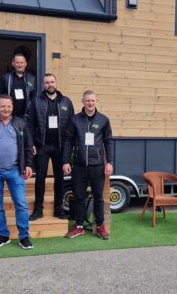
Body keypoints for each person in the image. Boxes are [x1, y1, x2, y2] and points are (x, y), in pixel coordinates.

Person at [0, 95, 34, 250]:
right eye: (3, 106)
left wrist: (29, 165)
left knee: (21, 204)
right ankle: (3, 235)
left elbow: (28, 146)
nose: (6, 109)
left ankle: (24, 236)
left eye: (9, 106)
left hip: (16, 170)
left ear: (12, 107)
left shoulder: (20, 123)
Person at [62, 90, 114, 240]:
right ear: (83, 102)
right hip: (79, 165)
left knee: (98, 197)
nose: (90, 103)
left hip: (97, 165)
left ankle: (100, 226)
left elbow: (108, 142)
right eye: (87, 100)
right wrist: (66, 161)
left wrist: (109, 162)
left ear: (96, 101)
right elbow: (68, 141)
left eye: (92, 100)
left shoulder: (104, 120)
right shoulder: (75, 120)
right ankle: (79, 226)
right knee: (78, 196)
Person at [27, 73, 74, 221]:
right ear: (43, 85)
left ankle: (58, 209)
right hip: (42, 146)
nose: (50, 85)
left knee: (60, 178)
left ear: (56, 83)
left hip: (60, 147)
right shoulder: (36, 101)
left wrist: (69, 148)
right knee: (40, 177)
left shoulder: (66, 102)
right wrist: (31, 144)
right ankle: (38, 210)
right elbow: (30, 125)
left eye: (52, 82)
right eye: (47, 82)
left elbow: (71, 127)